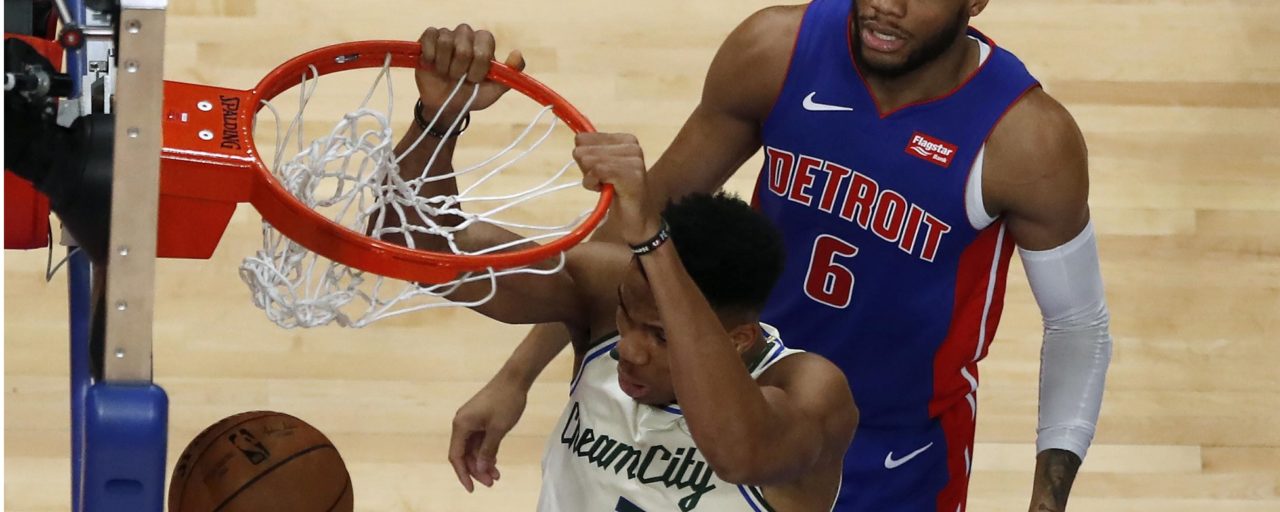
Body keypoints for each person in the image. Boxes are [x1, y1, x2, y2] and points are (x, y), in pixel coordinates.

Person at [439, 0, 1113, 509]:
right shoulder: (776, 50)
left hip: (897, 452)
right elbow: (636, 236)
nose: (886, 5)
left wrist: (1046, 503)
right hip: (742, 407)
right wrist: (514, 377)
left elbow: (1078, 325)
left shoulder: (1027, 138)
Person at [393, 40, 858, 511]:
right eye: (625, 316)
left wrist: (652, 240)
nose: (627, 349)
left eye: (660, 335)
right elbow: (414, 246)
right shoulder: (607, 291)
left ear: (737, 341)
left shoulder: (808, 390)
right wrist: (437, 121)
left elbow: (740, 455)